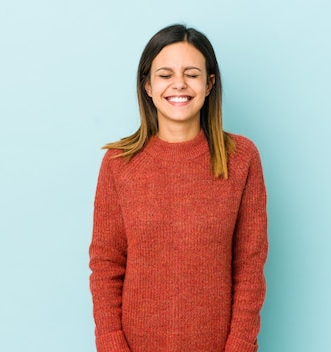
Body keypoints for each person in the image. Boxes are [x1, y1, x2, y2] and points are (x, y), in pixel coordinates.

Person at [89, 24, 268, 352]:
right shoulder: (118, 162)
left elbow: (250, 266)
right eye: (165, 74)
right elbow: (106, 263)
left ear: (209, 83)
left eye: (191, 74)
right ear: (147, 85)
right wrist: (111, 344)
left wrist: (241, 346)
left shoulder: (241, 159)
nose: (179, 85)